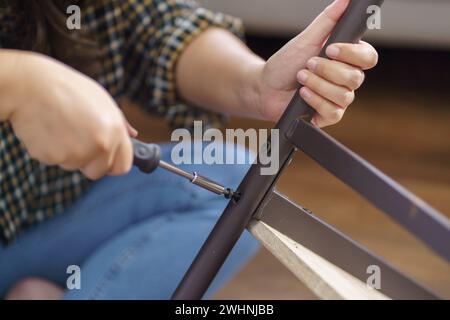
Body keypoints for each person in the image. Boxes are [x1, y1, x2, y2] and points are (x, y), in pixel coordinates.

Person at [0, 0, 378, 299]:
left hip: (46, 216)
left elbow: (152, 24)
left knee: (238, 184)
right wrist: (18, 82)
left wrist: (257, 83)